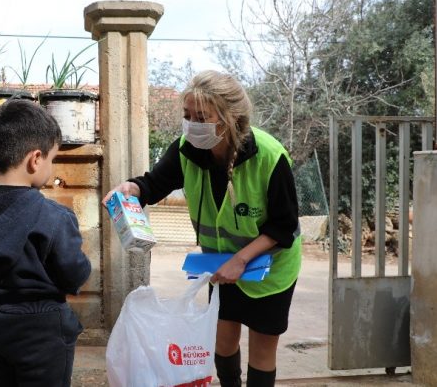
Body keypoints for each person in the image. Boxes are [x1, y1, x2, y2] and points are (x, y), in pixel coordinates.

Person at [103, 70, 302, 387]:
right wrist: (133, 188)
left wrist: (242, 259)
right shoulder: (186, 150)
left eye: (201, 116)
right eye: (188, 115)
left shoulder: (269, 155)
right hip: (220, 265)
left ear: (229, 118)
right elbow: (154, 183)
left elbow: (283, 226)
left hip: (270, 268)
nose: (192, 123)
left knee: (263, 349)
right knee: (223, 340)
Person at [0, 99, 92, 387]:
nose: (51, 168)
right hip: (43, 327)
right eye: (52, 159)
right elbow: (73, 274)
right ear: (36, 159)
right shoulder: (53, 216)